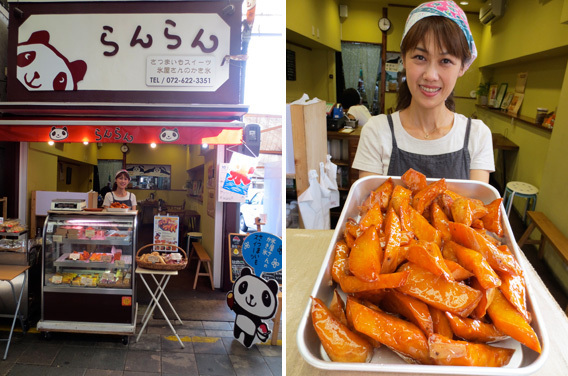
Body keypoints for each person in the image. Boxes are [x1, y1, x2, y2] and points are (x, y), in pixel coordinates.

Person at [352, 1, 494, 182]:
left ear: (462, 67)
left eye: (445, 61)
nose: (431, 75)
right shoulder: (377, 131)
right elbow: (370, 208)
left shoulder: (477, 135)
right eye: (420, 57)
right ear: (403, 58)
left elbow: (477, 208)